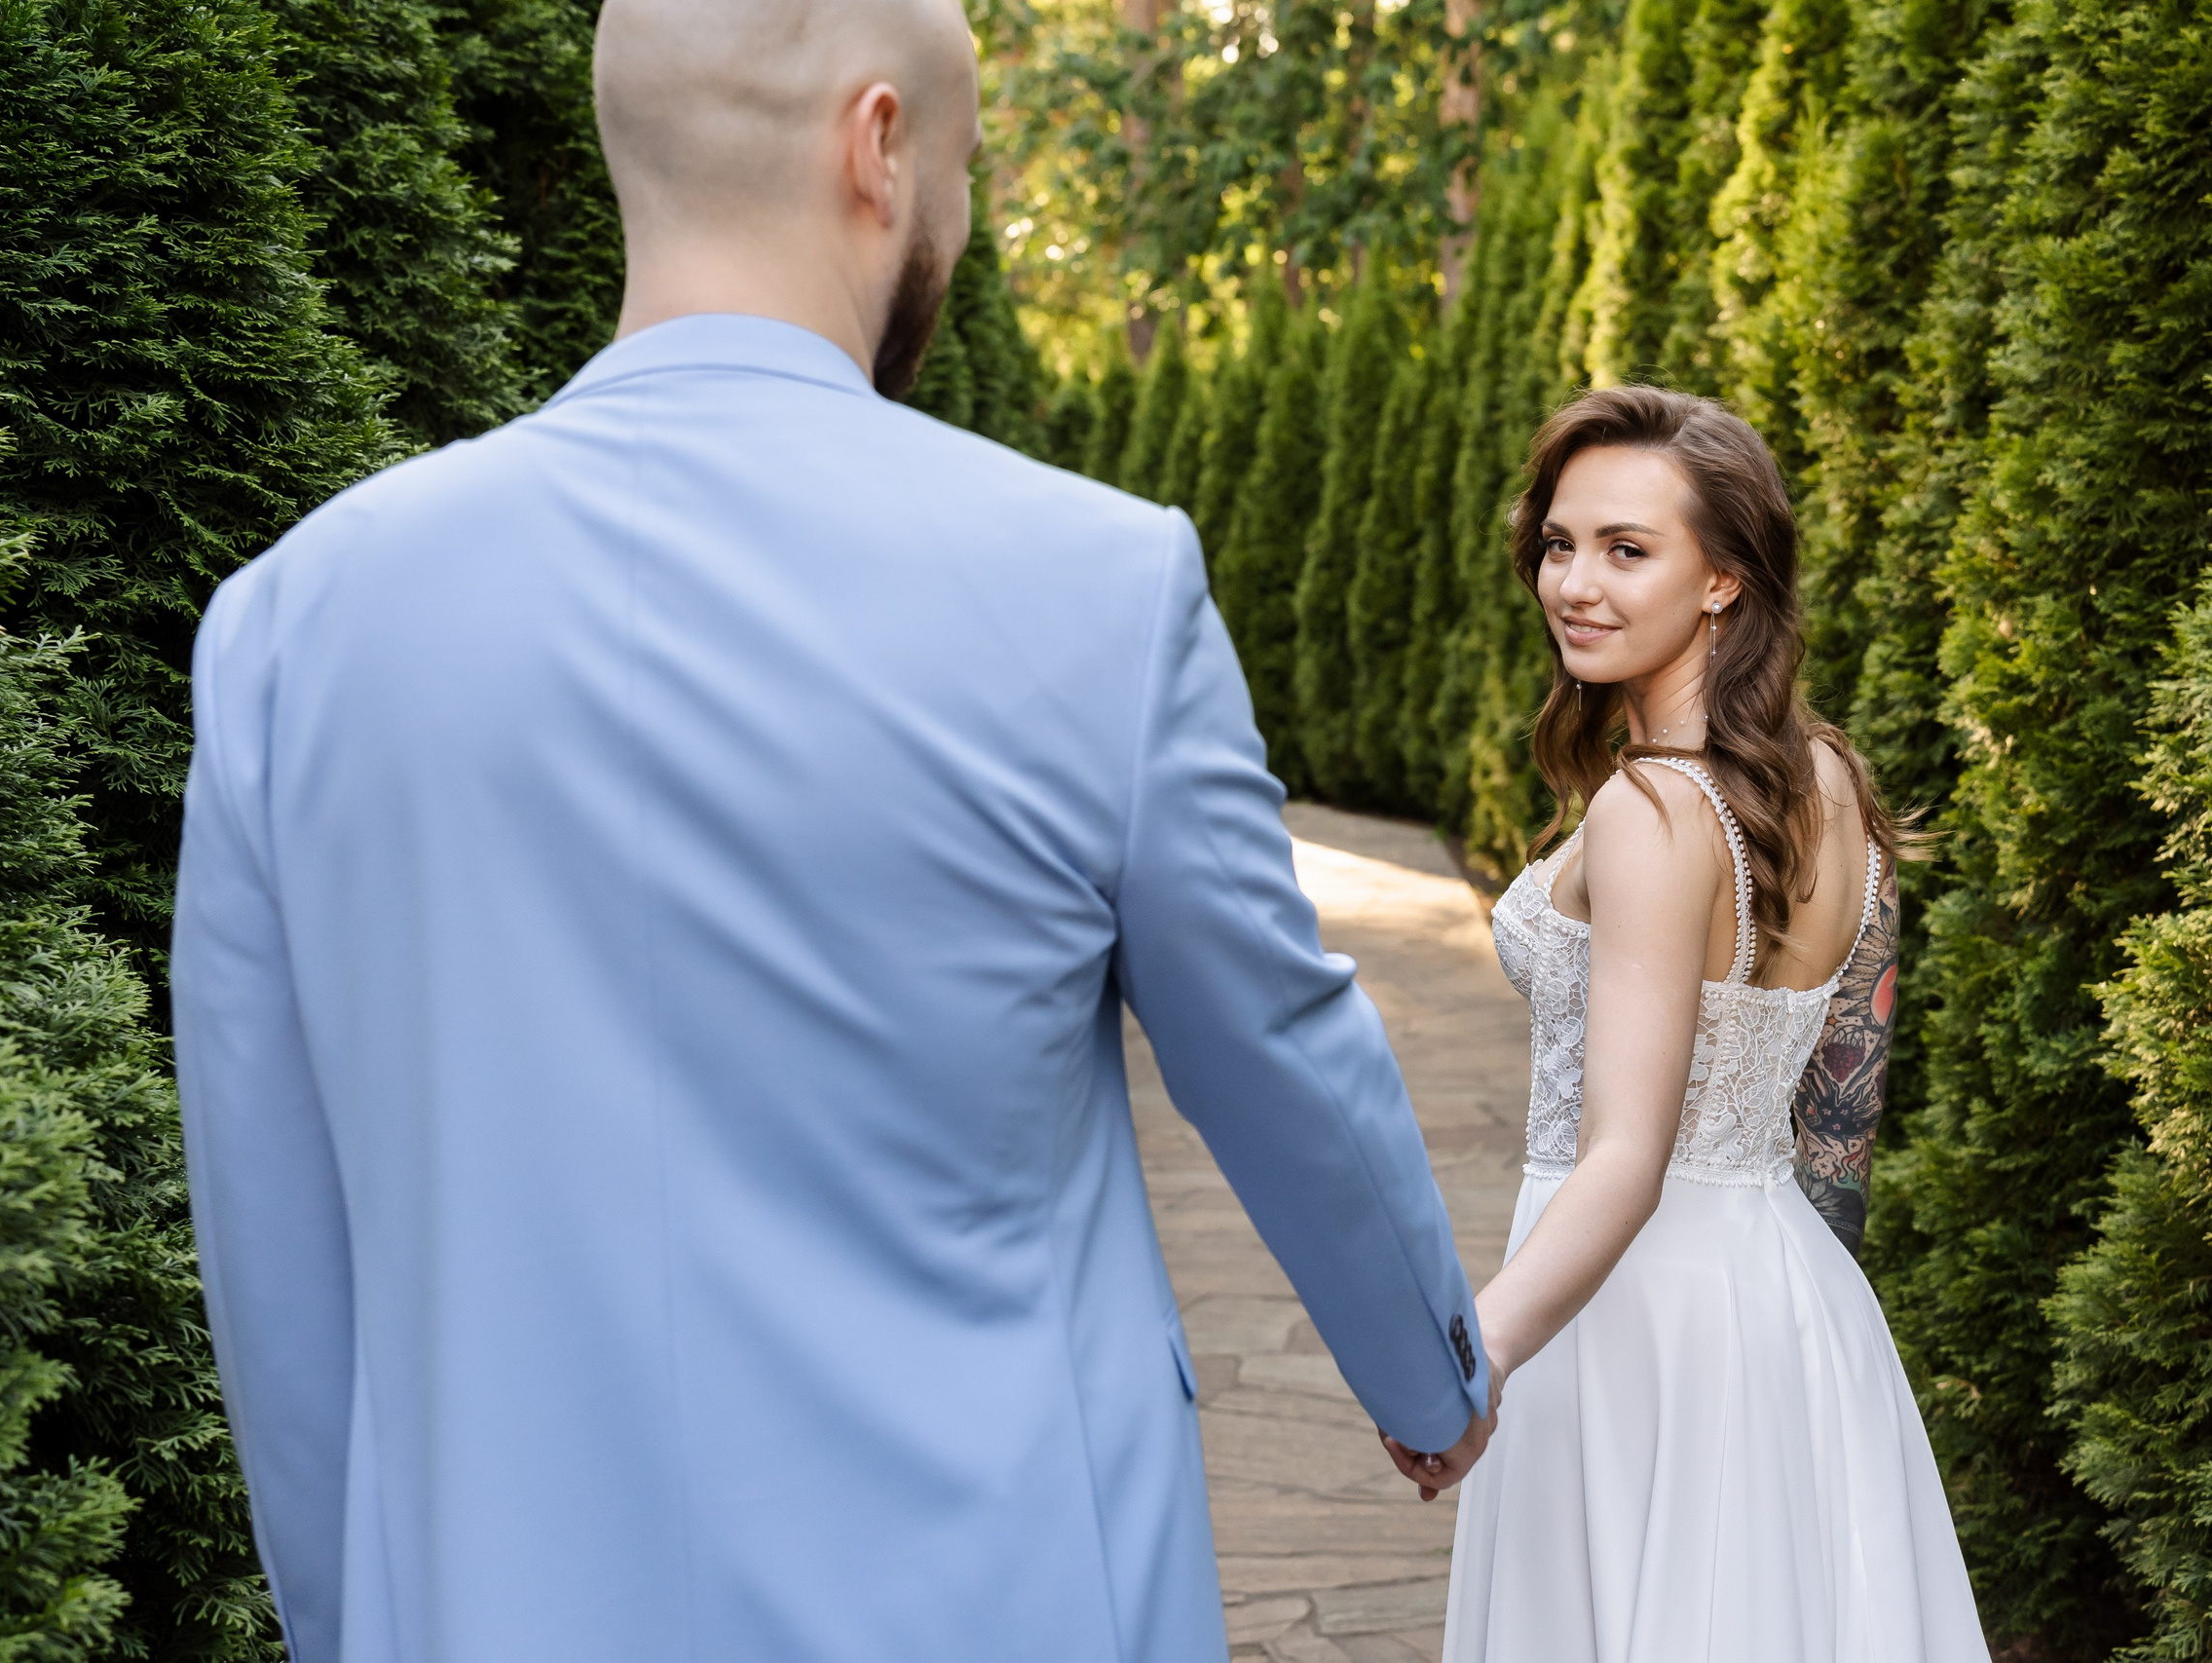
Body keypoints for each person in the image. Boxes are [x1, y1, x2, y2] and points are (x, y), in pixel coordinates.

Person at [167, 2, 1490, 1658]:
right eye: (965, 168)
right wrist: (1428, 1375)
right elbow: (1275, 1044)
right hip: (1006, 1602)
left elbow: (278, 1259)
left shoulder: (290, 627)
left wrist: (358, 1617)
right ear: (878, 148)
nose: (961, 217)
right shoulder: (1094, 584)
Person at [1427, 387, 1986, 1659]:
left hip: (1624, 1318)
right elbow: (1842, 1121)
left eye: (1628, 550)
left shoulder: (1652, 811)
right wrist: (1805, 1346)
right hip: (1791, 1304)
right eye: (1559, 544)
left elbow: (1627, 1157)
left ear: (1725, 579)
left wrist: (1477, 1360)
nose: (1575, 584)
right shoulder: (1832, 781)